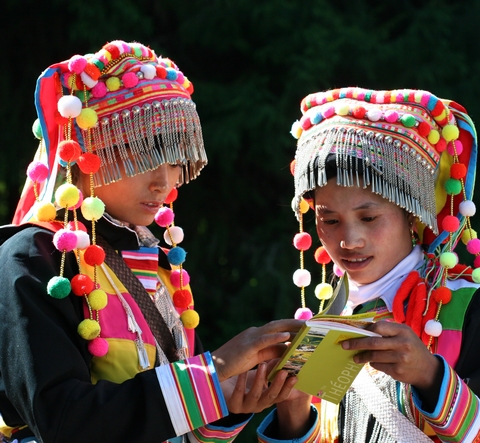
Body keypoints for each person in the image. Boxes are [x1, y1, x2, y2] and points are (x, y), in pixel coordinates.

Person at [0, 40, 303, 443]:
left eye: (176, 159)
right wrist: (214, 369)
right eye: (142, 154)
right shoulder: (31, 259)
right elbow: (64, 423)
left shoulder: (158, 264)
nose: (165, 180)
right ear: (87, 149)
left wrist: (229, 397)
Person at [257, 88, 480, 442]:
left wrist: (430, 375)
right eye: (329, 220)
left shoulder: (469, 309)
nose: (349, 240)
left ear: (410, 214)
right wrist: (293, 411)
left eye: (369, 217)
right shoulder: (325, 320)